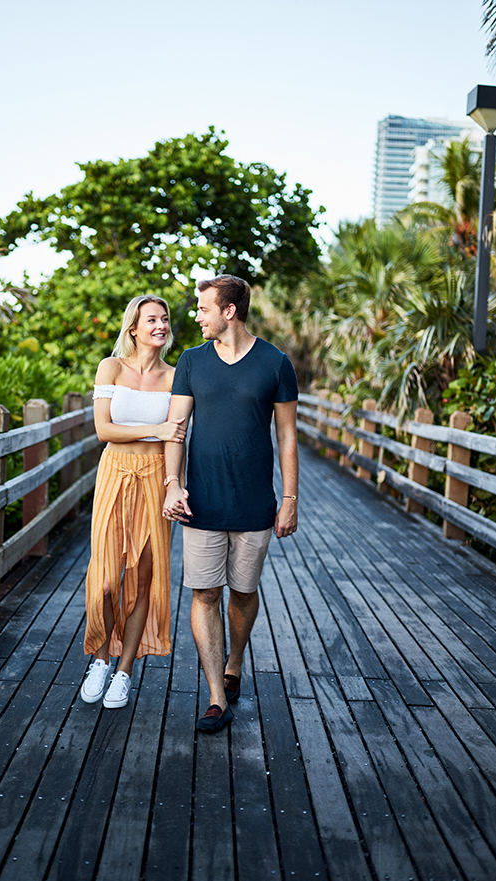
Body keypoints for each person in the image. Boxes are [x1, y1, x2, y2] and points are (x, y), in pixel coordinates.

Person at [162, 275, 299, 733]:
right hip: (200, 502)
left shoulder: (275, 363)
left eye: (203, 308)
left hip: (255, 502)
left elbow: (287, 436)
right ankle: (216, 697)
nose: (196, 316)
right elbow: (175, 429)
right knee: (205, 593)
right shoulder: (190, 361)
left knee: (242, 593)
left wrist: (290, 499)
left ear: (229, 311)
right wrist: (171, 483)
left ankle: (234, 661)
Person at [80, 295, 186, 709]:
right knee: (106, 578)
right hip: (114, 474)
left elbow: (178, 437)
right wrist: (156, 429)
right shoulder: (111, 367)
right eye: (152, 319)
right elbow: (103, 430)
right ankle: (101, 659)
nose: (160, 325)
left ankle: (124, 670)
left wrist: (174, 482)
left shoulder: (176, 377)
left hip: (156, 478)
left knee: (144, 578)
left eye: (164, 319)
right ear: (134, 328)